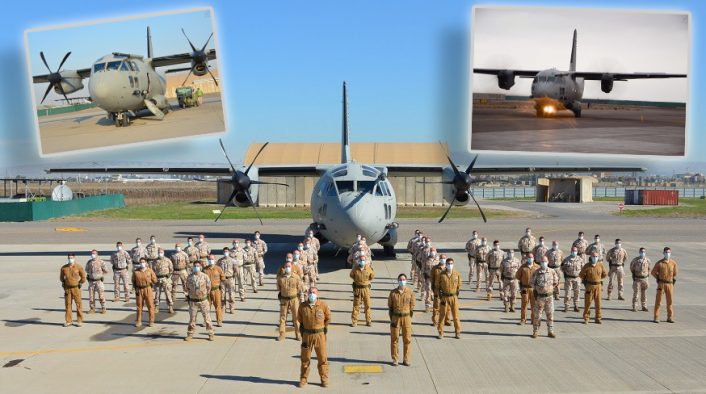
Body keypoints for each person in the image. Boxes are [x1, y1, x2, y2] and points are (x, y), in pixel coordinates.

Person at [297, 287, 331, 388]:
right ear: (307, 294)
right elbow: (300, 319)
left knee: (322, 358)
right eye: (310, 292)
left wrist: (322, 328)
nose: (312, 294)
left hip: (319, 335)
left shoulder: (323, 305)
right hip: (307, 335)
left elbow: (328, 318)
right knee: (305, 359)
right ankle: (303, 379)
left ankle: (324, 379)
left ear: (317, 294)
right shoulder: (303, 306)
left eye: (314, 292)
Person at [388, 274, 415, 366]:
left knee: (407, 339)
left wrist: (407, 315)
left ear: (406, 280)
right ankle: (395, 359)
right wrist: (392, 318)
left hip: (406, 317)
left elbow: (412, 306)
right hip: (395, 318)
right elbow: (390, 306)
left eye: (403, 279)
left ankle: (406, 359)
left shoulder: (410, 292)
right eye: (400, 279)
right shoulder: (393, 293)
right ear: (398, 281)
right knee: (394, 339)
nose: (402, 281)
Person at [531, 256, 560, 338]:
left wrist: (549, 289)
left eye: (545, 261)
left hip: (549, 297)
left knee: (550, 315)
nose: (544, 263)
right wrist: (538, 289)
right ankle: (535, 331)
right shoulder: (536, 272)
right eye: (542, 261)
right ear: (540, 263)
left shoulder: (552, 271)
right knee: (537, 316)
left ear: (548, 262)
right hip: (539, 298)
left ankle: (550, 331)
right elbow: (532, 283)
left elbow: (556, 282)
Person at [185, 260, 214, 341]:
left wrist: (203, 295)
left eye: (198, 266)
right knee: (192, 319)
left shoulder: (205, 276)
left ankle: (210, 333)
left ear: (200, 267)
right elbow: (186, 287)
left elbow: (209, 287)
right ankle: (190, 334)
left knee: (207, 319)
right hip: (193, 301)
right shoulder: (189, 277)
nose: (196, 267)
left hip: (203, 300)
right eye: (195, 266)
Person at [435, 258, 462, 339]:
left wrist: (456, 295)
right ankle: (440, 332)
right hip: (444, 297)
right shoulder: (441, 274)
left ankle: (457, 332)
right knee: (442, 316)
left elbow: (459, 285)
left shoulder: (457, 274)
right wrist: (440, 296)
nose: (450, 265)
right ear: (446, 264)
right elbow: (437, 286)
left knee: (456, 316)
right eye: (448, 263)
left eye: (451, 263)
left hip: (454, 297)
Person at [579, 252, 607, 324]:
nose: (595, 258)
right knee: (588, 302)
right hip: (589, 286)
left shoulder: (600, 265)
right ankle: (586, 318)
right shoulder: (587, 266)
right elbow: (581, 275)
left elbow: (604, 274)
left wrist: (598, 279)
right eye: (594, 256)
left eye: (596, 256)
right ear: (591, 257)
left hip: (598, 286)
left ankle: (598, 318)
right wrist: (587, 281)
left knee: (598, 303)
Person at [277, 261, 303, 341]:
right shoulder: (280, 278)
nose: (287, 268)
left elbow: (299, 288)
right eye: (286, 266)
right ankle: (282, 335)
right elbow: (279, 288)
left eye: (289, 266)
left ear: (291, 267)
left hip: (294, 299)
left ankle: (298, 334)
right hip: (284, 300)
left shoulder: (296, 277)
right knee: (282, 318)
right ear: (284, 268)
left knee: (296, 317)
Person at [652, 247, 678, 323]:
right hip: (661, 283)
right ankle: (656, 317)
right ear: (663, 253)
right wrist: (658, 278)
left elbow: (675, 273)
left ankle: (670, 317)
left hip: (670, 284)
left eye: (669, 252)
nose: (667, 254)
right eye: (666, 252)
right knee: (658, 301)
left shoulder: (673, 263)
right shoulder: (659, 263)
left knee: (670, 301)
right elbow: (653, 272)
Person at [60, 253, 86, 327]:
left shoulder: (78, 267)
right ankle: (68, 321)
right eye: (69, 258)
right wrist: (64, 283)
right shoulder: (64, 268)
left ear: (74, 258)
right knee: (68, 304)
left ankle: (79, 320)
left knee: (78, 304)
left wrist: (80, 283)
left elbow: (83, 277)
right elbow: (61, 278)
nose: (70, 259)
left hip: (76, 288)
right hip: (67, 288)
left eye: (71, 258)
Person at [350, 254, 375, 327]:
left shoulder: (368, 268)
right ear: (358, 261)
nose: (362, 261)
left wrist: (366, 282)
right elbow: (352, 275)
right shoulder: (355, 268)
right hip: (357, 289)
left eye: (363, 260)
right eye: (361, 260)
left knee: (367, 305)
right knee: (356, 305)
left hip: (366, 289)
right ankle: (354, 321)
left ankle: (368, 320)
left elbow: (372, 276)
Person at [132, 258, 157, 327]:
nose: (141, 263)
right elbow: (133, 280)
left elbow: (155, 280)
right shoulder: (136, 271)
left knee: (150, 305)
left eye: (143, 262)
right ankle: (139, 321)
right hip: (139, 290)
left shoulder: (150, 270)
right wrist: (135, 288)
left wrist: (150, 284)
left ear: (146, 263)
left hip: (148, 289)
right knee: (139, 306)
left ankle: (151, 321)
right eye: (140, 262)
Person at [203, 255, 225, 327]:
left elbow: (223, 277)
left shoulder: (218, 268)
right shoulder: (205, 269)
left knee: (218, 306)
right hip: (207, 291)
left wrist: (221, 286)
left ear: (215, 260)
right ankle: (206, 321)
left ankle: (219, 321)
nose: (210, 260)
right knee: (206, 307)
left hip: (216, 290)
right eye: (209, 259)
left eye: (212, 259)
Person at [515, 253, 537, 325]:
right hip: (525, 288)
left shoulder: (537, 267)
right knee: (524, 304)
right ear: (527, 258)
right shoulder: (523, 267)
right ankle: (523, 319)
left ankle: (533, 320)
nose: (530, 259)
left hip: (534, 289)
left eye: (531, 257)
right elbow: (517, 276)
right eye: (529, 257)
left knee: (534, 305)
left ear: (533, 258)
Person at [85, 249, 108, 314]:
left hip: (99, 281)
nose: (93, 255)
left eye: (94, 253)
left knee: (101, 296)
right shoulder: (89, 262)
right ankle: (92, 309)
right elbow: (86, 270)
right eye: (92, 253)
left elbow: (106, 270)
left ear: (97, 254)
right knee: (91, 297)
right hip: (91, 282)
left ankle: (103, 308)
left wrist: (100, 275)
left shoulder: (101, 262)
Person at [561, 247, 583, 312]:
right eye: (573, 251)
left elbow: (583, 268)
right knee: (568, 293)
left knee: (577, 292)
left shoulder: (580, 259)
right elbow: (562, 268)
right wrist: (566, 274)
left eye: (575, 251)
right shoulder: (566, 259)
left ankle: (576, 305)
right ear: (571, 251)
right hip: (569, 278)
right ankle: (566, 306)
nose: (574, 252)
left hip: (577, 278)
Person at [152, 248, 174, 313]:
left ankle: (170, 307)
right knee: (157, 294)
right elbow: (153, 270)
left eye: (161, 252)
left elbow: (171, 269)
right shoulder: (155, 261)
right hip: (157, 279)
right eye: (159, 252)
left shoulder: (167, 260)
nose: (160, 254)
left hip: (165, 279)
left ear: (163, 252)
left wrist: (168, 275)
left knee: (168, 294)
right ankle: (156, 306)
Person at [629, 247, 651, 312]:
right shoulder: (635, 260)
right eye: (641, 252)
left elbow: (649, 268)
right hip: (637, 279)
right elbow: (631, 268)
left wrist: (647, 276)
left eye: (644, 252)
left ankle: (644, 306)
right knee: (636, 293)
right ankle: (635, 306)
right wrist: (634, 274)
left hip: (645, 279)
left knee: (644, 293)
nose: (642, 253)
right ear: (639, 252)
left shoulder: (647, 260)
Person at [430, 255, 449, 326]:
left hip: (446, 291)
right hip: (437, 290)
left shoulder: (448, 268)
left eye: (444, 258)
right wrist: (434, 289)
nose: (443, 259)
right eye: (441, 258)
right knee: (436, 306)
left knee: (447, 306)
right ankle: (435, 321)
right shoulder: (435, 268)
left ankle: (447, 320)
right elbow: (432, 279)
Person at [218, 247, 237, 314]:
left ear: (229, 252)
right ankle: (223, 308)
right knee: (222, 295)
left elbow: (235, 270)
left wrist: (232, 276)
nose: (226, 253)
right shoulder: (220, 261)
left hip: (230, 279)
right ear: (223, 252)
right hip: (222, 280)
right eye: (224, 251)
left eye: (227, 251)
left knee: (231, 295)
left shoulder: (233, 260)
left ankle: (231, 308)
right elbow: (218, 270)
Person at [421, 247, 439, 312]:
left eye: (433, 250)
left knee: (436, 293)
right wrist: (423, 277)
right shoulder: (426, 259)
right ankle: (428, 306)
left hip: (437, 279)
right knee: (428, 291)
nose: (432, 252)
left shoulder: (438, 260)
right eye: (431, 250)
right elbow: (423, 269)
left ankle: (436, 306)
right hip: (428, 278)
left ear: (436, 251)